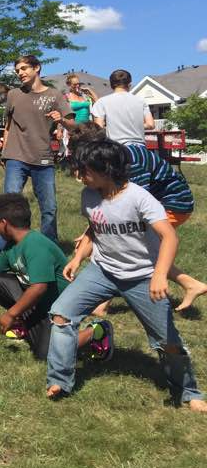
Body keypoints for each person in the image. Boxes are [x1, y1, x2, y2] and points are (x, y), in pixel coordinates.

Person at [46, 140, 206, 410]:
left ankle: (189, 392)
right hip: (103, 270)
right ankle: (59, 379)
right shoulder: (89, 195)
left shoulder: (139, 197)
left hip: (142, 276)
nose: (78, 175)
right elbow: (94, 227)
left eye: (84, 170)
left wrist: (159, 275)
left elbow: (170, 237)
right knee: (61, 315)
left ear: (106, 169)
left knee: (167, 342)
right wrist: (77, 257)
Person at [68, 122, 207, 312]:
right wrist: (91, 230)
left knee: (131, 245)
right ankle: (190, 285)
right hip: (160, 202)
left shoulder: (129, 163)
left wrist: (95, 231)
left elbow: (129, 209)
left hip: (174, 204)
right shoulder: (115, 158)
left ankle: (103, 302)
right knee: (124, 242)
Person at [0, 193, 111, 360]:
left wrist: (11, 314)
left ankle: (96, 331)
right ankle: (25, 322)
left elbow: (39, 288)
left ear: (4, 223)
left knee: (47, 353)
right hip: (38, 302)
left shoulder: (35, 245)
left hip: (58, 308)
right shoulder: (13, 244)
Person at [0, 56, 75, 255]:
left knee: (49, 207)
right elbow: (8, 125)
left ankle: (48, 248)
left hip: (43, 157)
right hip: (16, 155)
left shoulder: (54, 95)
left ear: (37, 68)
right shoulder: (13, 95)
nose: (20, 73)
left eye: (24, 68)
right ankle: (0, 248)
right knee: (8, 203)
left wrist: (61, 120)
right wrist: (4, 153)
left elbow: (73, 125)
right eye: (17, 70)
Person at [90, 69, 155, 145]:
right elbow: (151, 124)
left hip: (116, 147)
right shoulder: (141, 101)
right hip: (138, 148)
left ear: (111, 85)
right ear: (129, 84)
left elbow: (99, 129)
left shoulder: (102, 102)